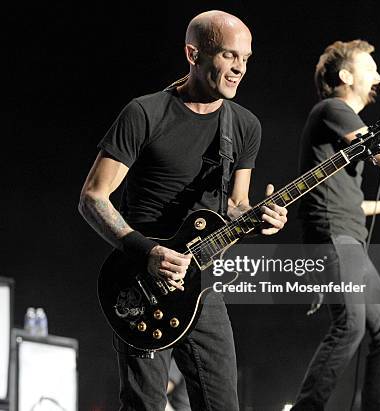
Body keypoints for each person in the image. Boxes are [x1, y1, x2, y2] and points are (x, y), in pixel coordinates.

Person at [78, 10, 288, 410]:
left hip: (202, 286)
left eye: (246, 58)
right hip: (140, 280)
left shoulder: (244, 127)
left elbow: (236, 205)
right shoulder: (145, 113)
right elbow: (92, 197)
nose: (240, 68)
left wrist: (260, 218)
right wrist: (149, 252)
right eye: (229, 56)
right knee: (145, 405)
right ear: (194, 54)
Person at [292, 40, 380, 410]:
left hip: (346, 237)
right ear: (346, 75)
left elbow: (339, 199)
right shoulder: (333, 108)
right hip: (334, 239)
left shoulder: (340, 120)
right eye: (371, 69)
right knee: (350, 325)